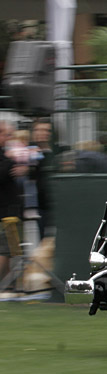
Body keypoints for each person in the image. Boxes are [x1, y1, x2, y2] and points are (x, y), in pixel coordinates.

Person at [0, 122, 27, 287]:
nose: (7, 137)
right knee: (6, 251)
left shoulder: (7, 156)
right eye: (4, 133)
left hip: (10, 212)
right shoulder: (7, 160)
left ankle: (8, 286)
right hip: (6, 213)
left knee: (11, 252)